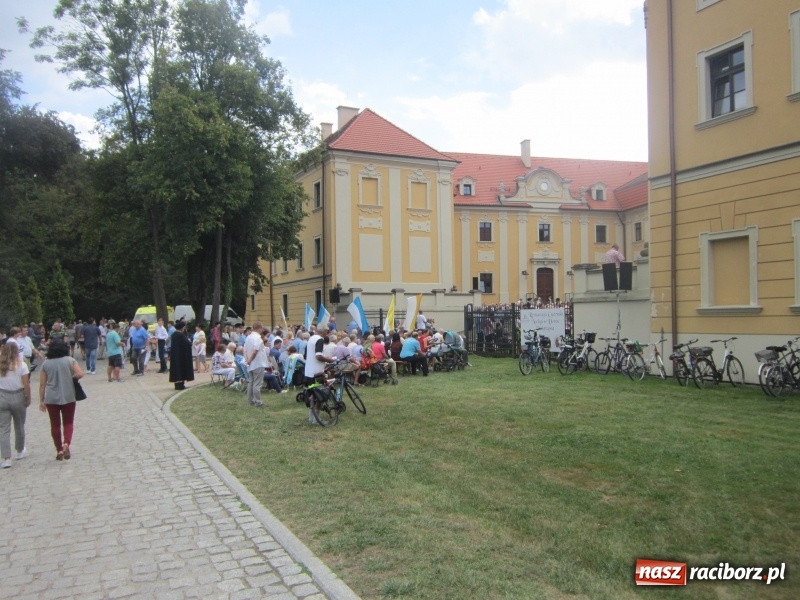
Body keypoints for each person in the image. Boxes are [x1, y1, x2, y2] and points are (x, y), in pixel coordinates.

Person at [39, 339, 83, 461]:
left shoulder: (46, 364)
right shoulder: (70, 360)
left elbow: (42, 384)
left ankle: (58, 449)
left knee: (55, 424)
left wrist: (41, 400)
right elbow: (80, 374)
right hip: (68, 395)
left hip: (51, 397)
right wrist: (71, 378)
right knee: (68, 422)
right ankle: (66, 443)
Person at [0, 342, 31, 468]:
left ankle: (6, 458)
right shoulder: (22, 365)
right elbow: (26, 384)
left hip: (2, 396)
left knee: (3, 429)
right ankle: (19, 450)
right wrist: (28, 397)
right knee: (19, 424)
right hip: (18, 395)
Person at [244, 323, 267, 407]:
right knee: (257, 383)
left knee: (251, 382)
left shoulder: (248, 337)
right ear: (260, 328)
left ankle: (250, 400)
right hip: (258, 363)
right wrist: (249, 360)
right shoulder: (258, 338)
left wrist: (247, 359)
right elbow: (255, 351)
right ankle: (257, 401)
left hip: (251, 364)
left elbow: (245, 349)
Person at [169, 321, 195, 390]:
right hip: (181, 356)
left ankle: (177, 384)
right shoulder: (181, 335)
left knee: (176, 370)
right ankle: (180, 385)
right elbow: (188, 343)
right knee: (180, 370)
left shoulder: (174, 335)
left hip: (175, 356)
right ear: (182, 328)